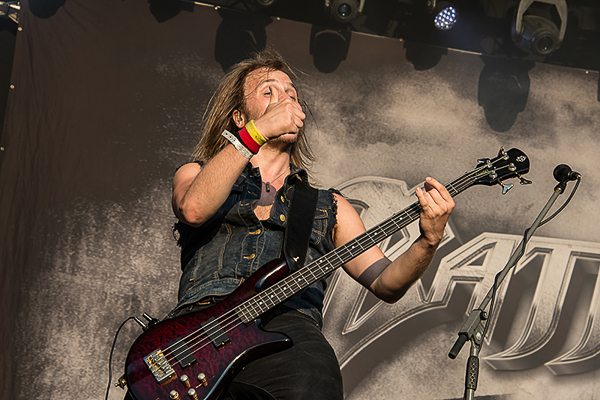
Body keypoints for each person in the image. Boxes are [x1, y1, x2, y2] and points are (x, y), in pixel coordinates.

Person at [169, 48, 454, 400]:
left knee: (314, 381)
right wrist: (258, 132)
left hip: (288, 332)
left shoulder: (329, 206)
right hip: (197, 329)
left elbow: (386, 283)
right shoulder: (196, 173)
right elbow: (194, 209)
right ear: (240, 117)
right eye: (269, 91)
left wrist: (428, 241)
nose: (285, 98)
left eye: (291, 93)